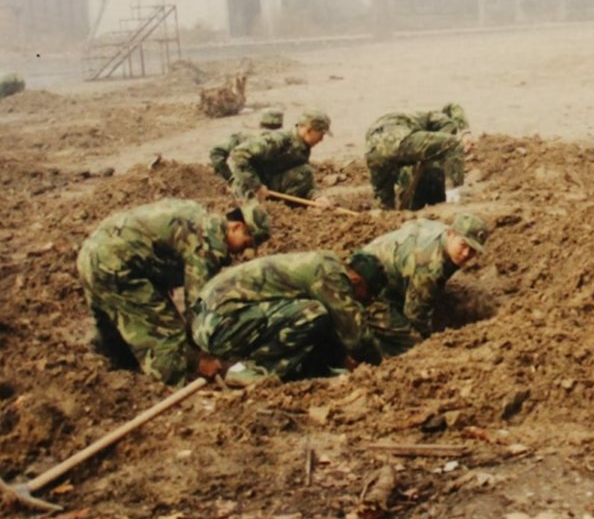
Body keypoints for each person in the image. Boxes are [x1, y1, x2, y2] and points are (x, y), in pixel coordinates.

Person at [78, 199, 271, 385]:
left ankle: (112, 368)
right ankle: (167, 386)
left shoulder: (198, 215)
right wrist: (201, 358)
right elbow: (197, 308)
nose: (244, 253)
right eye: (247, 243)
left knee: (115, 324)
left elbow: (158, 243)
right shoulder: (208, 244)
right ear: (236, 227)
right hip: (115, 265)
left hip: (92, 253)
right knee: (165, 338)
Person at [191, 249, 392, 385]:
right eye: (368, 295)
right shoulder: (331, 275)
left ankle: (302, 372)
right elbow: (354, 335)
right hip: (220, 324)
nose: (365, 301)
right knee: (313, 313)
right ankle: (253, 370)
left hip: (214, 321)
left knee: (315, 318)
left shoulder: (323, 263)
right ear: (357, 280)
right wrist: (380, 367)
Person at [361, 212, 490, 338]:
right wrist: (428, 339)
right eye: (463, 245)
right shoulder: (430, 266)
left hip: (386, 270)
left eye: (473, 250)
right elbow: (415, 316)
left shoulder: (443, 233)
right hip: (366, 290)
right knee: (413, 342)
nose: (466, 254)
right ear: (451, 234)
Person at [364, 104, 476, 211]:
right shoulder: (435, 118)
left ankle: (389, 218)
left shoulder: (412, 119)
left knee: (384, 204)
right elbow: (449, 128)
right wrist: (465, 133)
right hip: (397, 138)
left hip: (372, 147)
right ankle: (453, 199)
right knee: (454, 145)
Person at [226, 109, 333, 206]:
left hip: (268, 185)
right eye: (321, 134)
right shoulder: (277, 140)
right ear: (309, 130)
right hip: (248, 187)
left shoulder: (303, 147)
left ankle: (286, 206)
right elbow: (239, 154)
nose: (321, 139)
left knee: (304, 172)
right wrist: (256, 186)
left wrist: (317, 196)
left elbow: (305, 181)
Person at [208, 110, 284, 181]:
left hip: (246, 185)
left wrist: (229, 177)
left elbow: (216, 152)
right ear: (281, 125)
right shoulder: (285, 139)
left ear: (260, 124)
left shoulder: (242, 137)